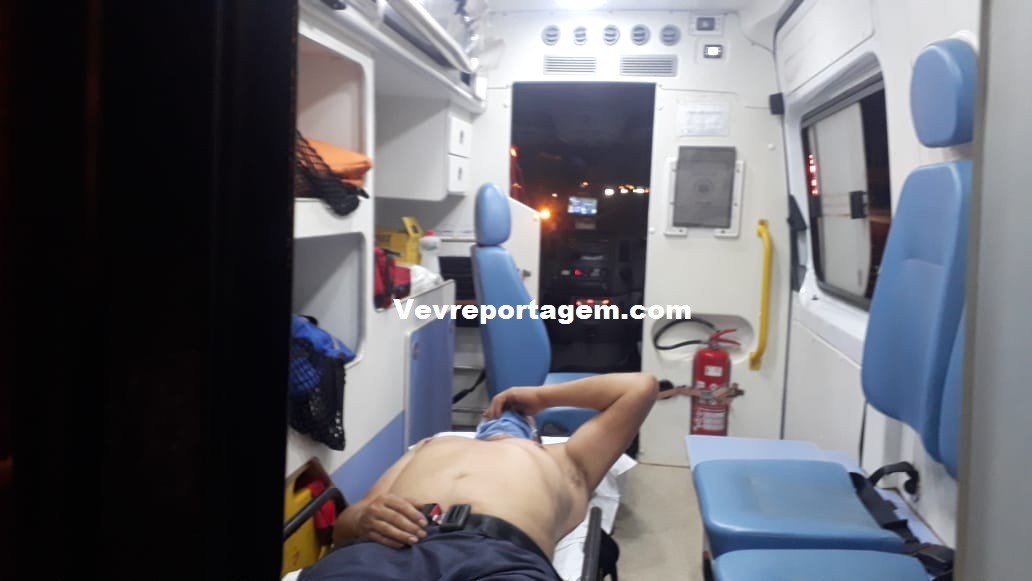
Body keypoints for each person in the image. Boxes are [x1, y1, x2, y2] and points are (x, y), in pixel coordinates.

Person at [297, 372, 658, 580]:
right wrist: (365, 517)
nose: (500, 421)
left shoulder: (566, 459)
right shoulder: (431, 445)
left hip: (499, 559)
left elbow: (641, 387)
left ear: (534, 431)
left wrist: (538, 397)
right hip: (384, 551)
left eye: (517, 419)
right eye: (494, 416)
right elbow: (344, 527)